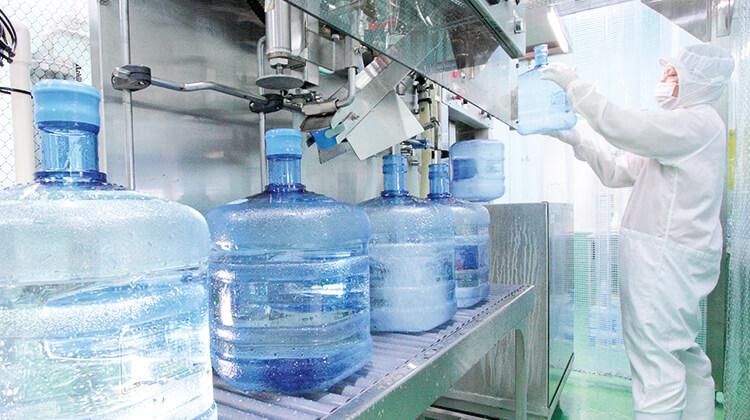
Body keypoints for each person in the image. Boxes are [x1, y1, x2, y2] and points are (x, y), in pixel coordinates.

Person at [540, 44, 735, 420]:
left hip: (663, 261)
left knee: (655, 365)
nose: (664, 80)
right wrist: (579, 139)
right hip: (670, 258)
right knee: (681, 355)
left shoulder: (697, 123)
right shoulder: (679, 133)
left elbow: (628, 128)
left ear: (699, 81)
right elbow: (618, 171)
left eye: (674, 74)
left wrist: (576, 88)